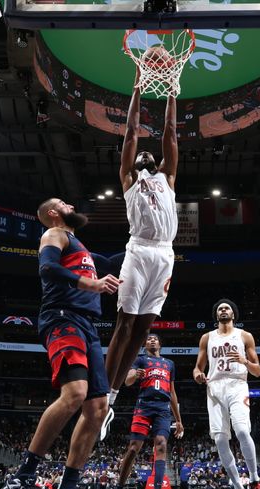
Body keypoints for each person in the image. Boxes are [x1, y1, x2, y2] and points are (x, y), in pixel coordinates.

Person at [0, 198, 121, 489]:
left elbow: (109, 260)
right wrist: (90, 283)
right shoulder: (54, 235)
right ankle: (20, 479)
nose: (71, 205)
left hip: (88, 325)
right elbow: (48, 268)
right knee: (75, 393)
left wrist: (152, 248)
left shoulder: (81, 247)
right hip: (62, 318)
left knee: (98, 408)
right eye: (64, 203)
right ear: (53, 213)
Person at [100, 64, 179, 441]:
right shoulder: (129, 180)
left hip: (165, 255)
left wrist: (172, 92)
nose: (146, 153)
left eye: (151, 154)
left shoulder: (168, 178)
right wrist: (136, 89)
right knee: (125, 325)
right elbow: (131, 131)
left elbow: (170, 134)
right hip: (139, 251)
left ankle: (114, 397)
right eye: (140, 154)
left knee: (144, 328)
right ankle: (105, 394)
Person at [193, 299, 260, 489]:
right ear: (216, 315)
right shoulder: (207, 337)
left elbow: (257, 371)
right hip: (215, 387)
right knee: (220, 439)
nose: (223, 310)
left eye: (226, 308)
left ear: (233, 313)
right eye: (219, 309)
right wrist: (198, 376)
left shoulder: (245, 336)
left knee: (243, 431)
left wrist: (244, 361)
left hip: (237, 385)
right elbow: (197, 368)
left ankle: (255, 481)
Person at [109, 334, 184, 489]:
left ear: (160, 343)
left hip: (163, 408)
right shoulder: (139, 359)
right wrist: (135, 375)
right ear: (144, 344)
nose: (152, 340)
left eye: (155, 339)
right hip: (144, 405)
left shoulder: (169, 364)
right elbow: (127, 381)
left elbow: (172, 392)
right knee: (134, 448)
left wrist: (179, 419)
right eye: (148, 339)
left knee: (161, 445)